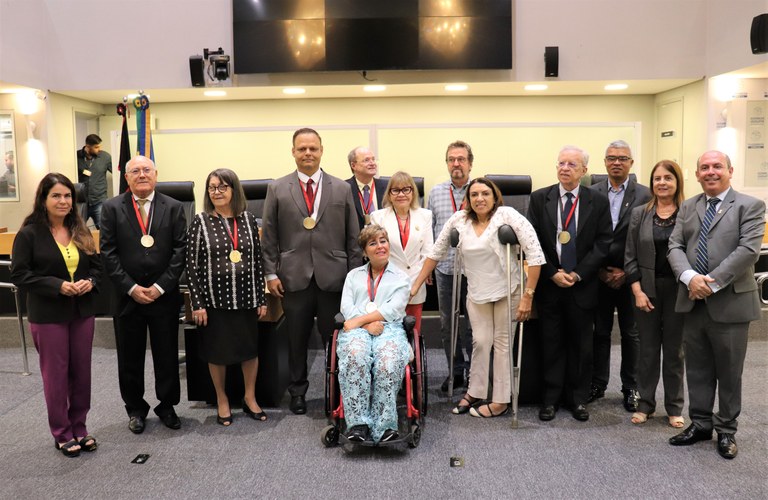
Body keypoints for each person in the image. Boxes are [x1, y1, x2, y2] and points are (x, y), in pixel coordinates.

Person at [412, 178, 545, 418]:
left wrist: (528, 295)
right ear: (469, 199)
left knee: (503, 345)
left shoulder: (507, 215)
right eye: (474, 195)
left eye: (485, 193)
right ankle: (475, 391)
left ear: (494, 197)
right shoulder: (460, 219)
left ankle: (501, 400)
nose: (480, 199)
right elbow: (436, 251)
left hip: (508, 290)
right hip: (477, 292)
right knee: (480, 342)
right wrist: (417, 283)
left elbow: (535, 254)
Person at [667, 150, 765, 460]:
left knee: (729, 370)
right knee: (697, 368)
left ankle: (726, 430)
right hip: (692, 301)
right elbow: (675, 246)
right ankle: (701, 423)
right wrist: (688, 277)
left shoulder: (750, 206)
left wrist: (707, 283)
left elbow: (748, 250)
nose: (711, 172)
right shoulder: (688, 206)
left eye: (717, 166)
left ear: (730, 171)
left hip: (730, 302)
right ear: (696, 174)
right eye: (704, 168)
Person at [261, 128, 362, 415]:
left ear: (321, 150)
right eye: (302, 149)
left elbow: (353, 237)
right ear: (293, 151)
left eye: (313, 148)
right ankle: (298, 392)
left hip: (335, 277)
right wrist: (270, 274)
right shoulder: (277, 188)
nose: (308, 153)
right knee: (296, 339)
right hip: (293, 277)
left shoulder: (342, 188)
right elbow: (269, 236)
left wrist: (354, 279)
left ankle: (338, 390)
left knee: (337, 338)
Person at [11, 173, 101, 457]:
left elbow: (97, 266)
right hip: (48, 314)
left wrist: (91, 281)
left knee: (81, 374)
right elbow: (20, 274)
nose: (63, 201)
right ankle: (62, 432)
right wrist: (57, 285)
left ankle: (80, 427)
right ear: (44, 199)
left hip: (81, 312)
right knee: (57, 376)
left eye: (67, 196)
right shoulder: (29, 234)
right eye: (56, 196)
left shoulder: (80, 229)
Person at [100, 155, 187, 434]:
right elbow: (108, 253)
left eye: (146, 170)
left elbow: (179, 251)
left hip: (164, 296)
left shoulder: (173, 207)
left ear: (156, 174)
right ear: (126, 178)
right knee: (129, 356)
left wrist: (160, 286)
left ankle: (167, 405)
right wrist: (132, 287)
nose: (141, 175)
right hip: (127, 298)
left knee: (167, 353)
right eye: (135, 171)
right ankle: (135, 408)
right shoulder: (112, 208)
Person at [527, 145, 612, 422]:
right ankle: (550, 399)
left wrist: (577, 274)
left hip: (582, 285)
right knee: (551, 343)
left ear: (584, 171)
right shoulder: (540, 198)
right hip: (550, 284)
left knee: (581, 345)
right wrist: (552, 272)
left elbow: (603, 243)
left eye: (572, 165)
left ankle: (577, 399)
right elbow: (533, 241)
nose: (565, 168)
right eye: (561, 163)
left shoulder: (597, 201)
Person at [186, 169, 268, 426]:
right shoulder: (200, 221)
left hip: (245, 298)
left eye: (222, 187)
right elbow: (191, 265)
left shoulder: (248, 220)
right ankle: (222, 399)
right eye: (212, 188)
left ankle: (250, 397)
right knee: (217, 353)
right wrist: (197, 303)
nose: (217, 192)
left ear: (234, 190)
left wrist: (261, 298)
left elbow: (257, 261)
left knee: (249, 351)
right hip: (214, 301)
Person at [589, 140, 651, 412]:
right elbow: (585, 237)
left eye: (623, 158)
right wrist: (600, 270)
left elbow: (647, 240)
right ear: (604, 162)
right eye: (612, 158)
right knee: (600, 332)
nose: (617, 162)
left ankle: (631, 387)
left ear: (631, 163)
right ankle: (598, 383)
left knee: (631, 333)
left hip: (631, 276)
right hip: (598, 276)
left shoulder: (645, 195)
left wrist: (627, 272)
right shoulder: (590, 193)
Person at [624, 160, 686, 428]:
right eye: (657, 178)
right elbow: (630, 256)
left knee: (674, 352)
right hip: (646, 290)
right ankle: (645, 404)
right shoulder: (640, 214)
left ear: (677, 182)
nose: (662, 183)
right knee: (648, 351)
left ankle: (674, 407)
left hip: (678, 290)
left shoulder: (689, 212)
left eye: (668, 178)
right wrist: (637, 289)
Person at [338, 224, 411, 443]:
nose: (380, 246)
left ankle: (385, 426)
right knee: (355, 355)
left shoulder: (401, 276)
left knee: (387, 362)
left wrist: (361, 320)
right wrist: (366, 325)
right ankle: (358, 424)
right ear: (364, 251)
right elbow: (346, 306)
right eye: (373, 243)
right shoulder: (353, 276)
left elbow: (393, 309)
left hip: (389, 328)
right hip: (358, 330)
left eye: (383, 241)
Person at [427, 140, 474, 393]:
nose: (456, 163)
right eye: (451, 159)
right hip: (444, 269)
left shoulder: (480, 190)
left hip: (474, 269)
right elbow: (429, 231)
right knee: (449, 325)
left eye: (461, 159)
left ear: (470, 163)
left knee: (474, 325)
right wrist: (429, 267)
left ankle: (475, 374)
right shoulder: (435, 193)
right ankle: (454, 372)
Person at [370, 171, 433, 333]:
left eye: (406, 189)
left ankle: (413, 359)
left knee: (413, 332)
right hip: (388, 283)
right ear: (389, 194)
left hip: (415, 283)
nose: (401, 194)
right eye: (395, 190)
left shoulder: (425, 216)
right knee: (389, 332)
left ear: (413, 192)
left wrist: (415, 286)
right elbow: (377, 254)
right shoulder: (378, 217)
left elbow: (428, 253)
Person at [346, 146, 388, 229]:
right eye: (366, 160)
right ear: (353, 165)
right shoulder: (344, 188)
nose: (372, 163)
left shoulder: (387, 187)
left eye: (373, 159)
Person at [76, 134, 112, 229]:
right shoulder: (76, 157)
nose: (99, 149)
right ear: (88, 147)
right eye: (96, 147)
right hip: (81, 201)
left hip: (99, 200)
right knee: (78, 230)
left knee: (104, 230)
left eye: (99, 146)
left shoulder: (105, 157)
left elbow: (118, 173)